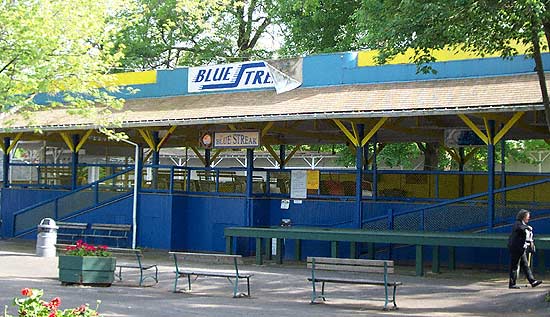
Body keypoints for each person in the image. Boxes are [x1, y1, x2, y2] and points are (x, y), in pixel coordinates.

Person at [507, 209, 543, 289]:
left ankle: (532, 281)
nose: (528, 218)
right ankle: (512, 284)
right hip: (516, 248)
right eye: (527, 217)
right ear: (523, 217)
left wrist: (531, 243)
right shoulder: (518, 223)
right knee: (514, 266)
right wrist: (527, 227)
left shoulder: (522, 224)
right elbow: (519, 228)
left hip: (521, 248)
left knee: (525, 265)